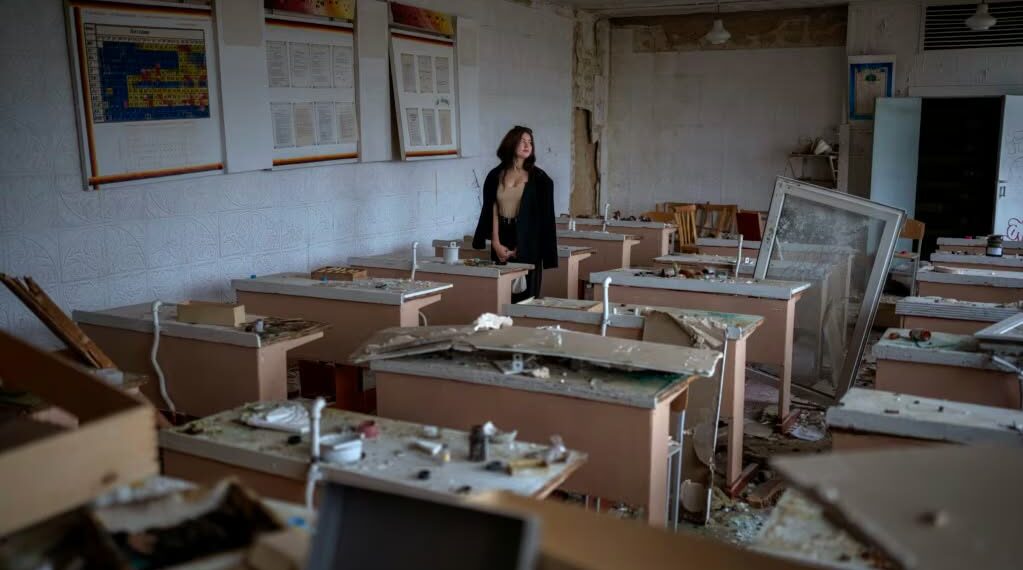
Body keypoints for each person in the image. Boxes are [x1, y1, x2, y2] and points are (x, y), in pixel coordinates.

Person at [472, 126, 558, 302]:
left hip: (529, 240)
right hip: (502, 236)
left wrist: (523, 245)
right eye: (522, 141)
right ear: (511, 143)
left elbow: (543, 220)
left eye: (530, 142)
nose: (527, 145)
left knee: (525, 297)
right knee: (502, 296)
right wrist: (495, 242)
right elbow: (492, 208)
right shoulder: (496, 175)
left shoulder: (540, 179)